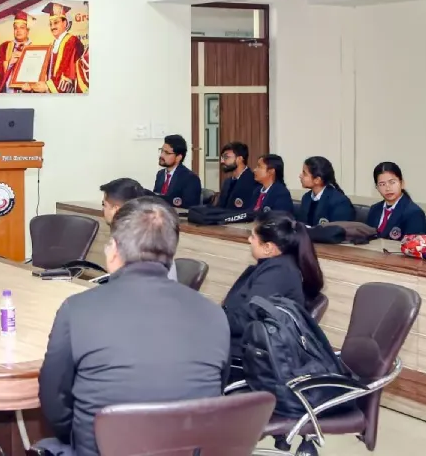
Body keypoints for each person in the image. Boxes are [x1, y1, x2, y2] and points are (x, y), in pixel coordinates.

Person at [38, 198, 229, 456]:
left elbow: (54, 401)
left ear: (114, 249)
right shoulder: (214, 314)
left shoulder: (77, 309)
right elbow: (215, 390)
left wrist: (72, 435)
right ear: (171, 254)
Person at [221, 212, 324, 357]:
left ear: (268, 247)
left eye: (253, 237)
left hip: (246, 355)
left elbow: (247, 320)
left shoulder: (279, 273)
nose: (249, 240)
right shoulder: (276, 266)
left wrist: (212, 318)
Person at [99, 178, 178, 282]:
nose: (102, 210)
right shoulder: (147, 233)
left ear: (116, 209)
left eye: (104, 205)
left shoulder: (133, 243)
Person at [29, 2, 85, 93]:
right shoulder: (53, 44)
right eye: (50, 24)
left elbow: (68, 72)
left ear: (64, 23)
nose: (52, 27)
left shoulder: (72, 41)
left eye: (56, 23)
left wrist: (48, 86)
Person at [366, 162, 426, 240]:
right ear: (377, 187)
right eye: (382, 184)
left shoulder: (414, 213)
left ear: (402, 183)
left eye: (392, 182)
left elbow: (412, 247)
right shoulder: (374, 209)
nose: (388, 188)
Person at [0, 11, 34, 93]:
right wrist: (8, 63)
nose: (18, 30)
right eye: (15, 28)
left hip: (24, 93)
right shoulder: (4, 47)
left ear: (28, 30)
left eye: (22, 27)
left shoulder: (34, 50)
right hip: (6, 92)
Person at [298, 156, 354, 226]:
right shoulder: (306, 198)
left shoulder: (340, 202)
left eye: (304, 173)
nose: (300, 176)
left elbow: (338, 231)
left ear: (317, 180)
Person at [152, 135, 202, 209]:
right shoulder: (160, 174)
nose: (161, 155)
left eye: (166, 153)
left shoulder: (191, 179)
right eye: (161, 151)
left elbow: (189, 207)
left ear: (178, 157)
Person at [216, 142, 256, 210]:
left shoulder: (253, 181)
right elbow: (220, 207)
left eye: (226, 157)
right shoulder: (227, 182)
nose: (222, 161)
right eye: (222, 157)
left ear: (240, 159)